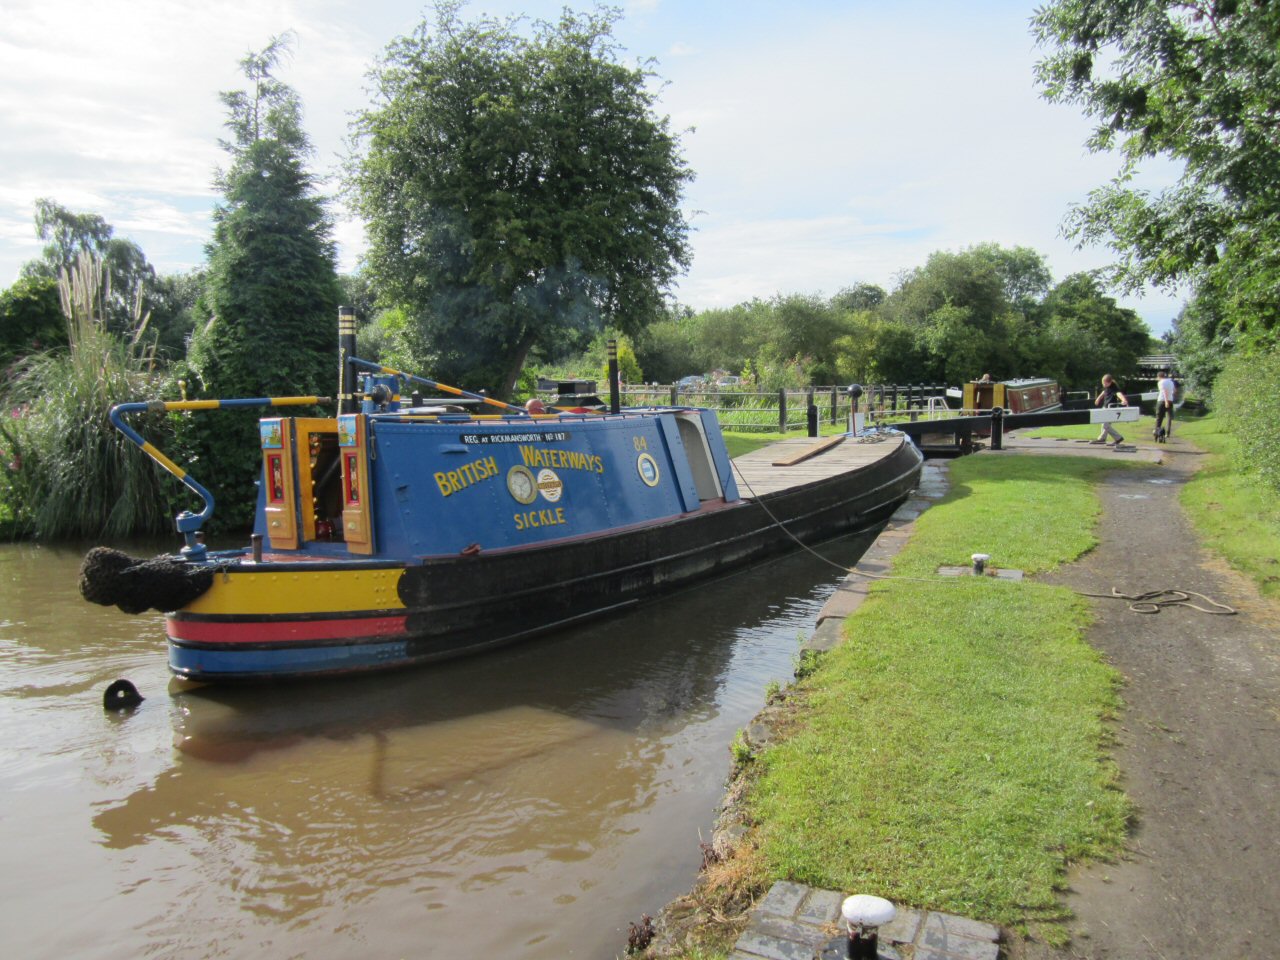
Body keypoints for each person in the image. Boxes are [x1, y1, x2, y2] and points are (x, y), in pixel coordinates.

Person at [1091, 373, 1128, 448]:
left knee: (1106, 425)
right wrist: (1098, 398)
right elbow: (1104, 392)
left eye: (1105, 383)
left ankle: (1118, 438)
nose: (1103, 385)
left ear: (1110, 382)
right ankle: (1102, 438)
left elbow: (1119, 394)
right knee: (1103, 423)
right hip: (1105, 407)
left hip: (1111, 408)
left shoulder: (1114, 388)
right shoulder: (1106, 387)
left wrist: (1124, 400)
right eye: (1103, 383)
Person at [1154, 369, 1176, 441]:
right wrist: (1170, 396)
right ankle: (1167, 433)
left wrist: (1166, 401)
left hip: (1162, 401)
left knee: (1159, 418)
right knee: (1169, 418)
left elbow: (1164, 391)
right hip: (1170, 400)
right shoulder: (1171, 382)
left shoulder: (1161, 382)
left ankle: (1157, 433)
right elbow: (1174, 390)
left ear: (1159, 376)